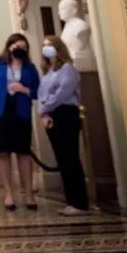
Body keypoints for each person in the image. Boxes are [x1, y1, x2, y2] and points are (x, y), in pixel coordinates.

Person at [0, 33, 40, 211]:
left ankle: (29, 193)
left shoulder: (30, 68)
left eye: (23, 47)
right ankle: (8, 193)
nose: (19, 50)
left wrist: (24, 89)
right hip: (1, 111)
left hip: (21, 112)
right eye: (16, 46)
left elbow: (38, 91)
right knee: (3, 153)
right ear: (9, 47)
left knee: (23, 153)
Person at [38, 35, 89, 216]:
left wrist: (46, 108)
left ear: (58, 48)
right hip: (51, 116)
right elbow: (41, 94)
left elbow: (63, 92)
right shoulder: (47, 72)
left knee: (70, 158)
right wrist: (43, 113)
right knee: (62, 159)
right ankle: (71, 201)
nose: (46, 49)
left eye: (50, 45)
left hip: (66, 114)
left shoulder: (67, 68)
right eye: (44, 46)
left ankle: (80, 202)